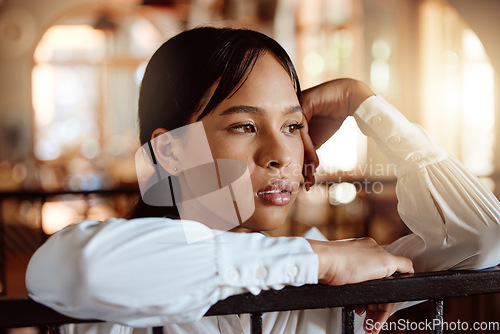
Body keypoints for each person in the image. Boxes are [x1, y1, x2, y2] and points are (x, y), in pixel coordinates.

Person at [25, 27, 500, 334]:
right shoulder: (121, 267)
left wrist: (366, 106)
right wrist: (312, 260)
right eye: (245, 126)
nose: (280, 155)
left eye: (293, 127)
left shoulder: (335, 269)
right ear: (172, 149)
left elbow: (484, 239)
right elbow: (74, 269)